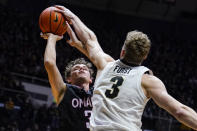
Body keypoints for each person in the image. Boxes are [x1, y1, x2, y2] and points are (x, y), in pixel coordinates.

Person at [54, 5, 197, 131]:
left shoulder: (105, 65)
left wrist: (71, 17)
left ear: (122, 51)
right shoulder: (148, 81)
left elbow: (90, 39)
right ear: (145, 56)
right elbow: (180, 111)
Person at [42, 33, 94, 131]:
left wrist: (79, 45)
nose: (81, 69)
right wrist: (52, 38)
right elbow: (49, 63)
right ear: (69, 79)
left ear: (91, 79)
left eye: (85, 68)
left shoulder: (98, 92)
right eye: (76, 69)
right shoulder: (64, 91)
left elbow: (104, 63)